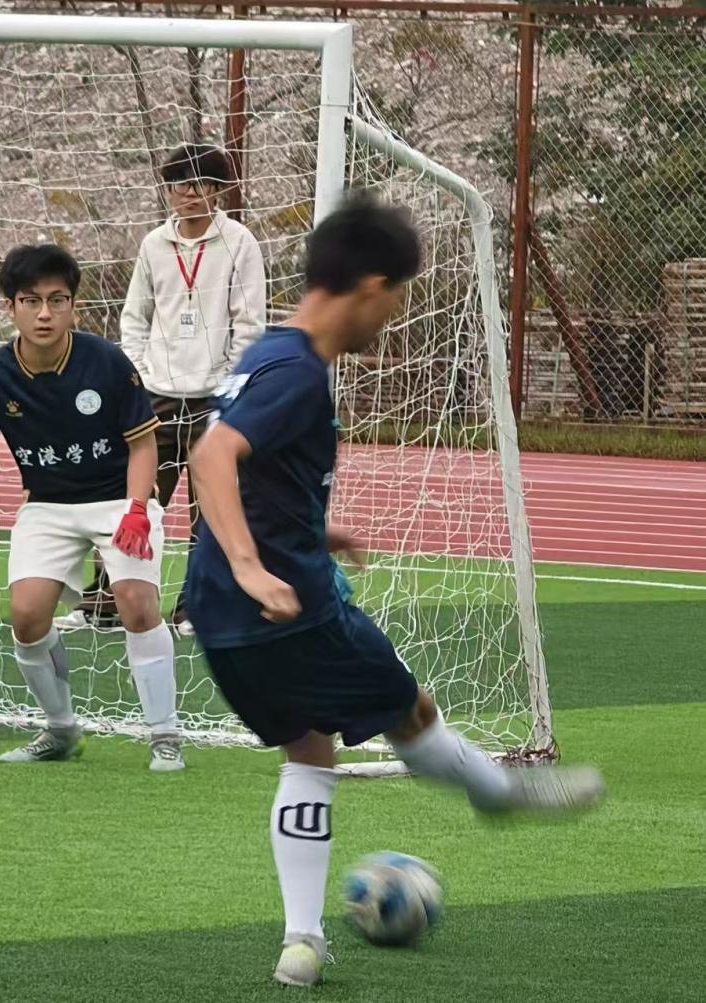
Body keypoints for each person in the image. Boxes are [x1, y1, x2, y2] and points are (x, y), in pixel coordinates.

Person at [185, 195, 605, 987]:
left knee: (308, 745)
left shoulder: (265, 353)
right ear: (372, 286)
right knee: (411, 712)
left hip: (219, 616)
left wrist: (306, 533)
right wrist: (252, 564)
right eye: (398, 296)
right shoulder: (299, 373)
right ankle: (494, 790)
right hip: (288, 608)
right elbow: (211, 461)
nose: (394, 315)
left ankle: (301, 942)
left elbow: (237, 470)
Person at [0, 244, 184, 771]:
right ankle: (61, 731)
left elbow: (143, 444)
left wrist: (137, 508)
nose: (45, 313)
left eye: (57, 300)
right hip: (48, 505)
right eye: (31, 301)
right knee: (27, 615)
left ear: (73, 306)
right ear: (10, 307)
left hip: (120, 499)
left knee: (135, 602)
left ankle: (165, 735)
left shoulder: (106, 361)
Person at [58, 144, 265, 635]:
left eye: (199, 184)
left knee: (211, 510)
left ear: (217, 190)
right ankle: (106, 603)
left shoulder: (239, 243)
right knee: (135, 500)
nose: (188, 193)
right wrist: (137, 376)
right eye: (179, 184)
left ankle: (196, 607)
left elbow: (250, 323)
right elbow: (135, 317)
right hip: (156, 397)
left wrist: (229, 385)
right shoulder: (154, 244)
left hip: (215, 399)